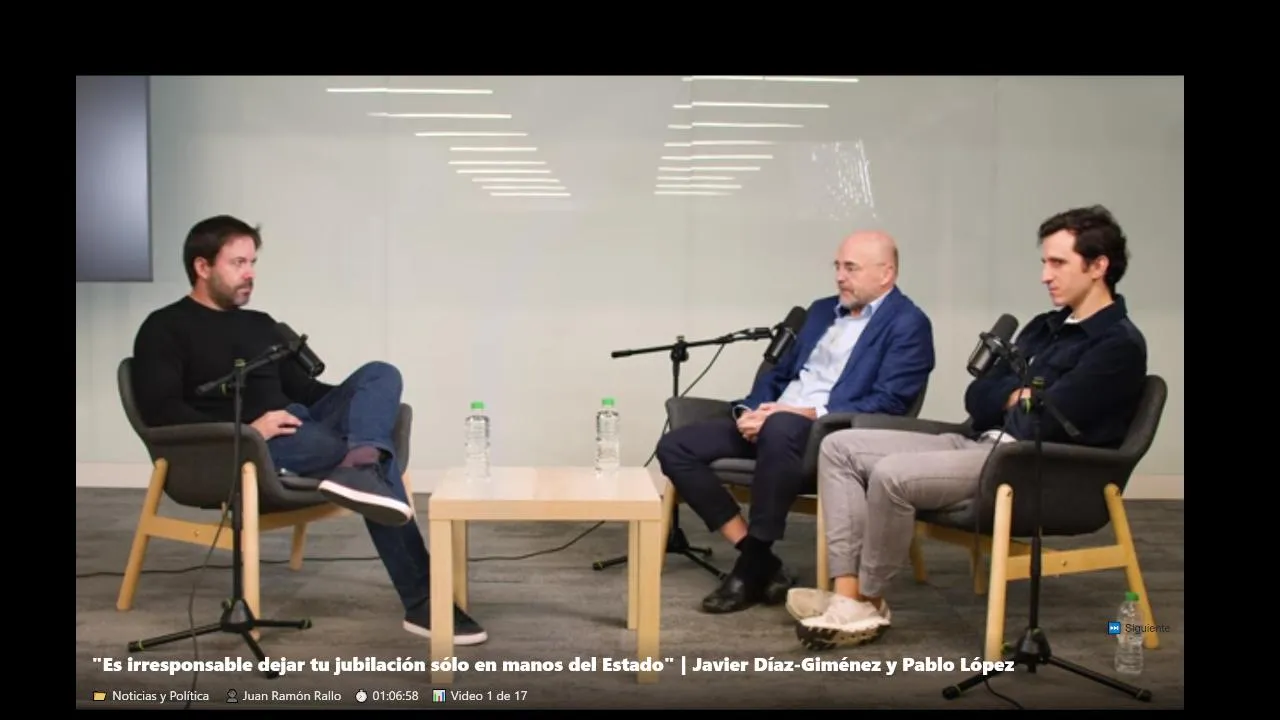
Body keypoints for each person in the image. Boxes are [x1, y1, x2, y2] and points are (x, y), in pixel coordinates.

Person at [791, 204, 1147, 650]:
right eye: (1044, 262)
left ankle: (868, 600)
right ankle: (847, 594)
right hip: (977, 441)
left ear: (1098, 267)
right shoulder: (1043, 328)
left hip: (1025, 467)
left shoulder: (1118, 345)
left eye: (1058, 263)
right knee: (839, 446)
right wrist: (1014, 395)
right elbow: (978, 397)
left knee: (891, 475)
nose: (1045, 275)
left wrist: (1014, 398)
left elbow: (1044, 421)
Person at [130, 215, 487, 646]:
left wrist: (364, 406)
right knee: (369, 460)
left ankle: (362, 461)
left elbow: (307, 391)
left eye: (253, 262)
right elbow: (161, 411)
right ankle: (424, 601)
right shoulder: (164, 327)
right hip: (246, 447)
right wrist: (251, 429)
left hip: (302, 424)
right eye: (238, 263)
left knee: (381, 374)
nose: (250, 273)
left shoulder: (261, 324)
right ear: (202, 267)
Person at [655, 230, 936, 615]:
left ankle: (749, 569)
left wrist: (801, 414)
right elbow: (777, 373)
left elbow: (889, 402)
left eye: (851, 268)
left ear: (886, 273)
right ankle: (758, 558)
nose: (839, 276)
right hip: (775, 422)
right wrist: (752, 411)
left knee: (782, 427)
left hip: (831, 435)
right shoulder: (820, 311)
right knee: (675, 447)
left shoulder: (908, 323)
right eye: (837, 266)